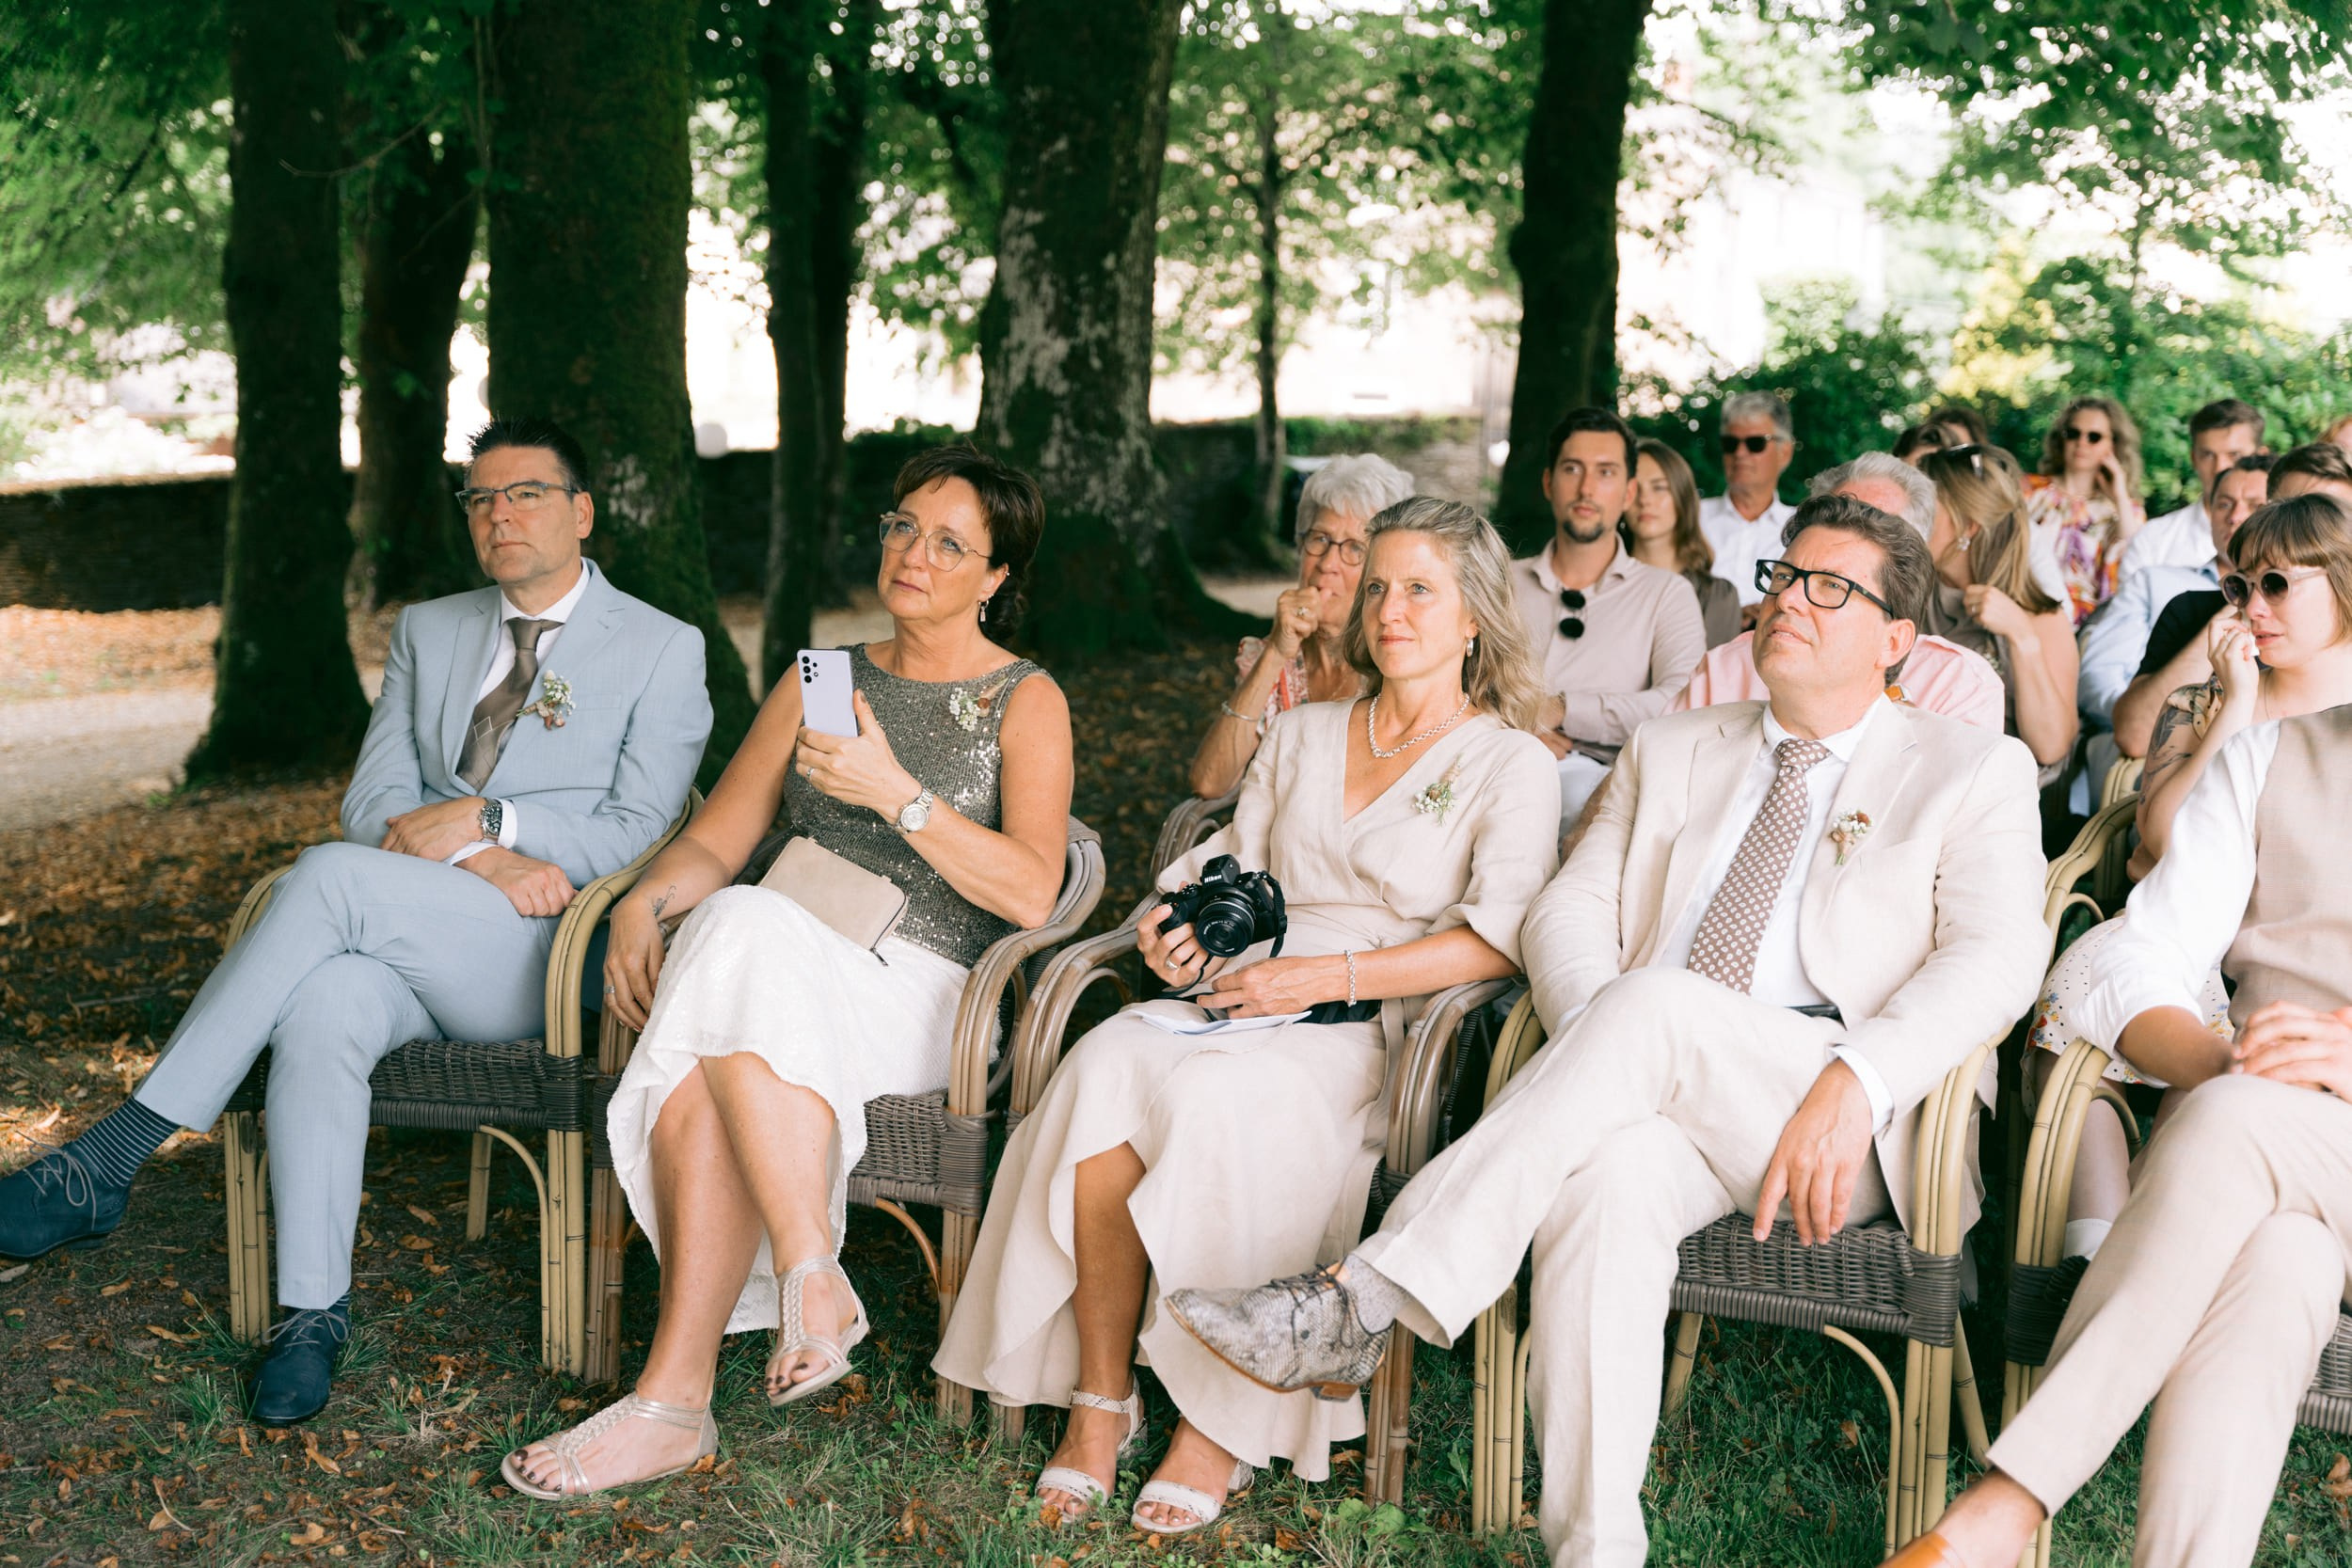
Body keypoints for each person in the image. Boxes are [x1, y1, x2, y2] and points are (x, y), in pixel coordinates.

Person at [1168, 494, 2050, 1568]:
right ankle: (1595, 1547)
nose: (1788, 603)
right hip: (1649, 1071)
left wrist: (1858, 1076)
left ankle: (1365, 1296)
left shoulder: (1968, 766)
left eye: (1831, 587)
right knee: (1608, 1182)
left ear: (1899, 640)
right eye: (1781, 576)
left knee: (1655, 1010)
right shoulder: (1676, 745)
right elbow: (1566, 912)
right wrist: (1610, 1043)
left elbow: (1997, 959)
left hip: (1836, 1111)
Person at [0, 418, 712, 1423]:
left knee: (328, 881)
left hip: (543, 952)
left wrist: (490, 812)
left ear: (582, 511)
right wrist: (485, 851)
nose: (499, 515)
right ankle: (310, 1315)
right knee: (324, 1006)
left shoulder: (661, 647)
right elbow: (373, 798)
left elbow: (639, 830)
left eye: (525, 494)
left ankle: (115, 1152)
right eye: (480, 499)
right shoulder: (431, 628)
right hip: (415, 915)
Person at [935, 498, 1559, 1538]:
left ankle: (1218, 1422)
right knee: (1101, 1063)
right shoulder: (1307, 729)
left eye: (1420, 590)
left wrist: (1319, 978)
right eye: (1378, 587)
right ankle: (1101, 1394)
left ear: (1471, 621)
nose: (1391, 608)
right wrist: (1177, 934)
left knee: (1219, 1099)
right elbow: (1235, 868)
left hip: (1378, 1025)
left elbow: (1493, 945)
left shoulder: (1510, 761)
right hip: (1244, 993)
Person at [503, 444, 1072, 1497]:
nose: (914, 553)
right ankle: (781, 1303)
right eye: (903, 525)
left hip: (927, 989)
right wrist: (642, 898)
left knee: (728, 960)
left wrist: (898, 794)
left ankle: (679, 1391)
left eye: (951, 542)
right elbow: (718, 839)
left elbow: (1034, 892)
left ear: (996, 577)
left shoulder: (1022, 699)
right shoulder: (823, 677)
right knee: (730, 947)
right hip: (775, 964)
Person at [1883, 591, 2352, 1568]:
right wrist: (2227, 1059)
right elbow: (2138, 949)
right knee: (2277, 1263)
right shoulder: (2272, 756)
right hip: (2291, 1158)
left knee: (2227, 1123)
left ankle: (2001, 1508)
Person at [2025, 493, 2352, 1263]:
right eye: (2241, 586)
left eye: (2278, 584)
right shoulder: (2205, 702)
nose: (2253, 606)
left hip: (2287, 970)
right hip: (2192, 939)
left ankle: (2151, 1254)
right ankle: (2093, 1252)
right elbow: (2163, 838)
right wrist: (2238, 705)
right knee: (2084, 1000)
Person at [1672, 452, 2010, 735]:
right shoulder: (1725, 668)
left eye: (1879, 530)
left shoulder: (1956, 683)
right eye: (1834, 519)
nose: (1790, 598)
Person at [1512, 408, 1705, 832]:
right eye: (1572, 469)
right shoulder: (1502, 582)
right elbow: (1452, 686)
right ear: (1548, 482)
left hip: (1603, 790)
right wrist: (1517, 728)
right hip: (1492, 765)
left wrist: (1562, 709)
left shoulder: (1666, 594)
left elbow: (1681, 706)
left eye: (1605, 472)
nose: (1586, 488)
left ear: (1628, 492)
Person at [1189, 454, 1414, 799]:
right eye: (1319, 539)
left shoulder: (1400, 662)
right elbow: (1209, 782)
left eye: (1354, 547)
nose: (1327, 563)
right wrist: (1277, 651)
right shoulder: (1271, 660)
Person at [2110, 441, 2352, 757]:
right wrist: (2251, 597)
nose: (2309, 528)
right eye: (2298, 509)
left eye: (2331, 515)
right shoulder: (2192, 610)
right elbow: (2135, 736)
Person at [2079, 453, 2271, 746]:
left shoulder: (2303, 608)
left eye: (2255, 506)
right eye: (2224, 504)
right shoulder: (2160, 585)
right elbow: (2102, 683)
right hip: (2145, 739)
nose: (2235, 516)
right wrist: (2133, 713)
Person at [1918, 445, 2079, 780]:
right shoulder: (1910, 595)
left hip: (1992, 792)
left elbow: (2051, 747)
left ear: (1968, 527)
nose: (1909, 518)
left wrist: (2022, 638)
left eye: (1923, 508)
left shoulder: (2041, 617)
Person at [2025, 395, 2147, 625]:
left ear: (2113, 444)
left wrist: (2119, 494)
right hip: (2030, 613)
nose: (2082, 442)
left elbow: (2133, 558)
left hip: (2092, 627)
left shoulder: (2124, 509)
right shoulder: (2029, 491)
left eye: (2094, 437)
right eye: (2073, 433)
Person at [2115, 398, 2265, 581]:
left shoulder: (2285, 538)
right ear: (2194, 459)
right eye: (2208, 455)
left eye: (2234, 455)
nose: (2220, 468)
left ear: (2261, 457)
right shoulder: (2153, 540)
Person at [1629, 437, 1741, 649]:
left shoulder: (1717, 596)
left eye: (1659, 488)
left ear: (1682, 496)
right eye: (1634, 488)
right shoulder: (1601, 584)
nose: (1644, 500)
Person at [1699, 391, 1798, 611]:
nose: (1740, 453)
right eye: (1730, 444)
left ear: (1785, 452)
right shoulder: (1690, 518)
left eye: (1755, 444)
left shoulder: (1804, 528)